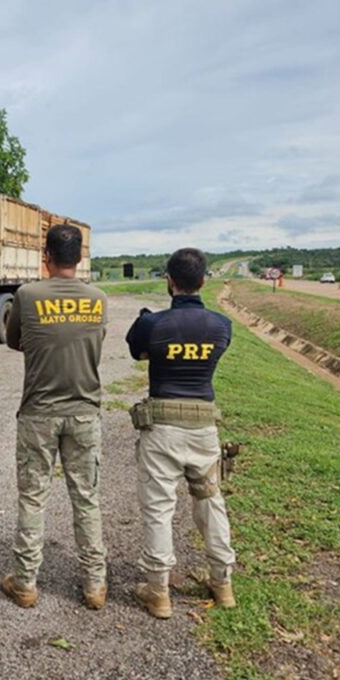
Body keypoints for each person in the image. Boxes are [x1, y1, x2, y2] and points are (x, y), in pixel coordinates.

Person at [125, 248, 237, 618]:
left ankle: (158, 591)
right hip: (204, 429)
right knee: (210, 501)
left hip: (161, 429)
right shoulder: (222, 325)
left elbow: (137, 352)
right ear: (204, 281)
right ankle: (222, 582)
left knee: (159, 507)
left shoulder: (152, 325)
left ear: (169, 281)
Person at [1, 224, 109, 610]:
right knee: (87, 499)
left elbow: (13, 341)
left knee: (33, 498)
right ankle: (95, 585)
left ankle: (26, 582)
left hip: (39, 414)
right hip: (84, 413)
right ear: (79, 258)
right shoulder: (98, 299)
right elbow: (97, 341)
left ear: (45, 256)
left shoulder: (27, 295)